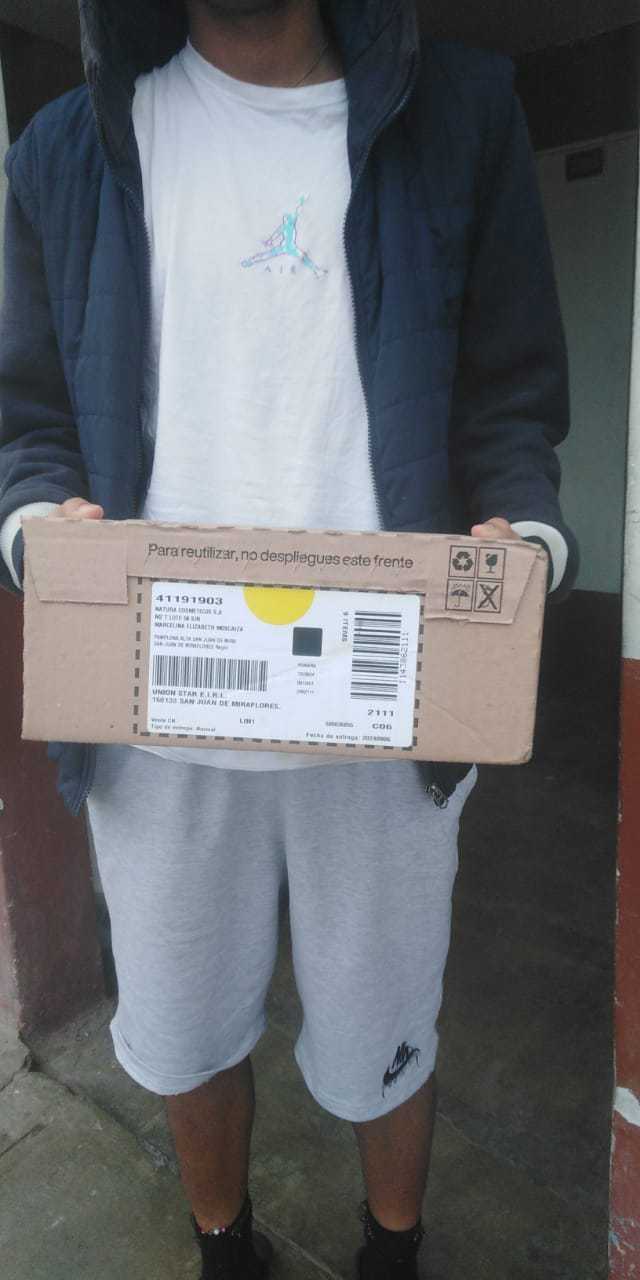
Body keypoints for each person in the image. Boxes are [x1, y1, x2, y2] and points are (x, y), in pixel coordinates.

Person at [0, 2, 578, 1276]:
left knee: (386, 1034)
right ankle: (226, 1251)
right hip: (156, 707)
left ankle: (391, 1251)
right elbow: (29, 417)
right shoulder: (61, 151)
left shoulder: (463, 115)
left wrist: (523, 537)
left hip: (391, 699)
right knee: (182, 1027)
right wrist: (38, 525)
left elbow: (511, 392)